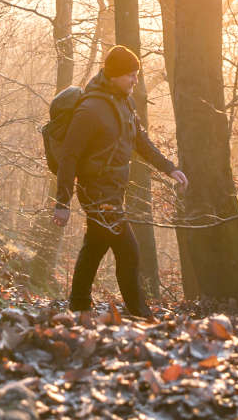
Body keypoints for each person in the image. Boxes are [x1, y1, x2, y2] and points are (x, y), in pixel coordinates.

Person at [52, 45, 189, 317]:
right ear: (114, 75)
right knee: (129, 250)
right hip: (95, 192)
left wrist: (169, 168)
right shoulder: (90, 109)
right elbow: (69, 157)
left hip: (113, 191)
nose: (135, 80)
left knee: (95, 247)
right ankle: (140, 312)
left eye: (136, 74)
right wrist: (62, 203)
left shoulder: (125, 102)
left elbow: (141, 141)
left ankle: (79, 305)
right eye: (130, 75)